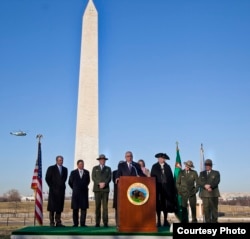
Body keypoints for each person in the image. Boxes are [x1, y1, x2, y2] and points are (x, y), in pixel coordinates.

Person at [150, 153, 176, 227]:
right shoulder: (154, 167)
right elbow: (152, 178)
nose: (162, 159)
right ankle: (158, 220)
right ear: (158, 159)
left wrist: (171, 190)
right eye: (160, 158)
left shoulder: (168, 167)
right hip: (158, 189)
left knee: (165, 205)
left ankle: (165, 220)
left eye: (163, 159)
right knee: (158, 204)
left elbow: (171, 179)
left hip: (166, 189)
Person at [45, 155, 68, 227]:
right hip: (53, 190)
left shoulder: (65, 169)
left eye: (62, 160)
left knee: (59, 207)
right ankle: (51, 222)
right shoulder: (51, 168)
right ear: (56, 161)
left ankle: (58, 222)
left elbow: (64, 179)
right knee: (52, 207)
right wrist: (51, 186)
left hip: (61, 190)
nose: (61, 161)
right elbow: (47, 178)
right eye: (59, 160)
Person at [68, 159, 90, 227]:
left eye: (82, 164)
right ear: (77, 165)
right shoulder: (73, 172)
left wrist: (83, 187)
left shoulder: (87, 172)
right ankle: (75, 223)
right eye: (80, 164)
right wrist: (75, 188)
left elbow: (88, 181)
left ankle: (82, 223)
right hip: (76, 194)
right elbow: (70, 182)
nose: (81, 165)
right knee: (75, 209)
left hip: (84, 193)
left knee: (84, 209)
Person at [91, 154, 112, 227]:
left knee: (105, 207)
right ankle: (97, 222)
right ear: (99, 160)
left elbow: (109, 177)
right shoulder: (95, 168)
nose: (102, 160)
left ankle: (105, 222)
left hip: (105, 189)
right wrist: (99, 183)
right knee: (97, 206)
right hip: (97, 189)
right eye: (101, 159)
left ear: (105, 160)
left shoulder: (108, 168)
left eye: (104, 159)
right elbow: (93, 177)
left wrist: (104, 183)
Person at [198, 159, 220, 223]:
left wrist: (210, 186)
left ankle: (214, 222)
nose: (207, 166)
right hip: (205, 194)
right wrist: (205, 186)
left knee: (214, 210)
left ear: (211, 166)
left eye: (208, 165)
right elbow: (199, 182)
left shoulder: (216, 173)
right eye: (206, 165)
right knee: (206, 210)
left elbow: (217, 181)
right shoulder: (202, 173)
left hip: (213, 194)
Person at [112, 160, 124, 225]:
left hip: (125, 193)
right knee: (117, 209)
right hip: (117, 193)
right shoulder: (114, 172)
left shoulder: (126, 172)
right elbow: (115, 181)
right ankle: (117, 222)